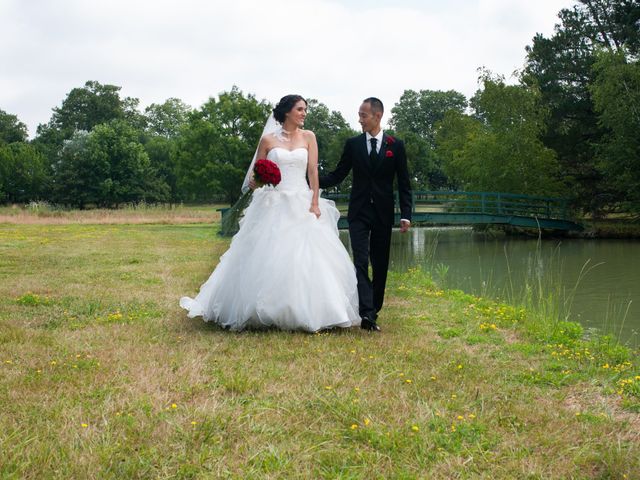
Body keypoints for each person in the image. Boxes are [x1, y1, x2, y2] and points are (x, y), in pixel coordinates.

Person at [180, 95, 360, 332]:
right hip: (272, 202)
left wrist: (315, 203)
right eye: (300, 109)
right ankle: (262, 308)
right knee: (267, 253)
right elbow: (256, 174)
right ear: (287, 112)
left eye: (305, 109)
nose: (304, 113)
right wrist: (258, 180)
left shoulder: (309, 137)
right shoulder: (267, 140)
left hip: (301, 199)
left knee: (305, 256)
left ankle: (313, 310)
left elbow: (313, 172)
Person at [319, 97, 412, 332]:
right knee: (360, 261)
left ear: (377, 116)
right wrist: (309, 178)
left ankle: (375, 308)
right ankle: (367, 314)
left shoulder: (396, 145)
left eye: (363, 115)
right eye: (359, 115)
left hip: (383, 213)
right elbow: (338, 175)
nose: (359, 119)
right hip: (358, 211)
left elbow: (404, 182)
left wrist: (406, 214)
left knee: (380, 264)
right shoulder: (353, 144)